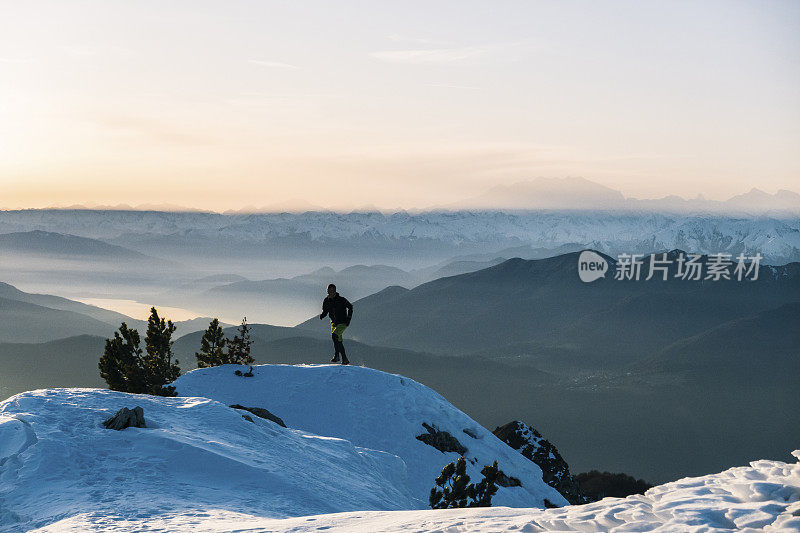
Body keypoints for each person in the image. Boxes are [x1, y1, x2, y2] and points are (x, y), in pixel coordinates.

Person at [319, 283, 353, 365]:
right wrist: (322, 315)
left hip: (343, 322)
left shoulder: (341, 299)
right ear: (327, 291)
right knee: (338, 341)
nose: (330, 292)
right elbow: (325, 311)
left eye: (332, 291)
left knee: (334, 336)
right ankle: (345, 359)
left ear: (335, 291)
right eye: (329, 291)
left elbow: (350, 307)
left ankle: (337, 355)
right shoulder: (326, 301)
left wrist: (348, 319)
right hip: (334, 323)